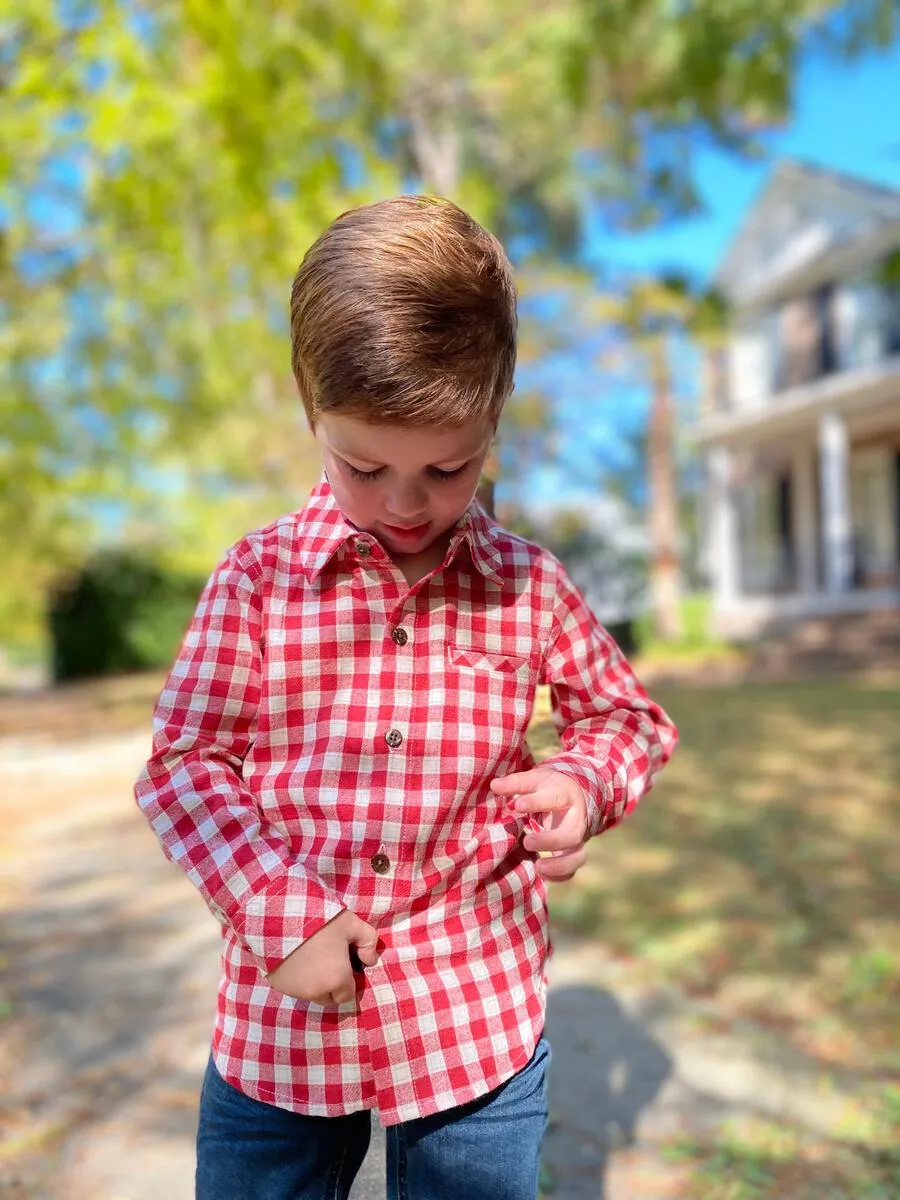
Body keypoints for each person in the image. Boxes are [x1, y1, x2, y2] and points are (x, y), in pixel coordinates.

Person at [134, 195, 677, 1200]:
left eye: (449, 466)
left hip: (473, 1026)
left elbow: (627, 721)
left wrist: (583, 781)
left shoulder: (530, 585)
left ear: (495, 421)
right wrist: (274, 907)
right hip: (284, 1028)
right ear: (312, 413)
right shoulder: (257, 583)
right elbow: (182, 767)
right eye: (363, 465)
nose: (405, 503)